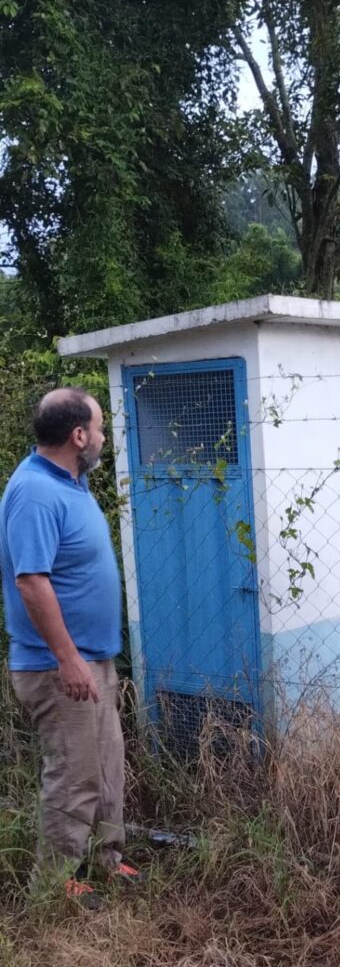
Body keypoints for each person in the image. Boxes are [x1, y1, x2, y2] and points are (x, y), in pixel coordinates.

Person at [0, 388, 138, 907]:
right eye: (99, 428)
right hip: (59, 668)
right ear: (78, 436)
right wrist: (68, 658)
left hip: (89, 660)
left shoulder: (69, 483)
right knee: (74, 776)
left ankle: (105, 861)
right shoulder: (36, 492)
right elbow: (31, 580)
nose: (103, 437)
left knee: (105, 767)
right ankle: (56, 886)